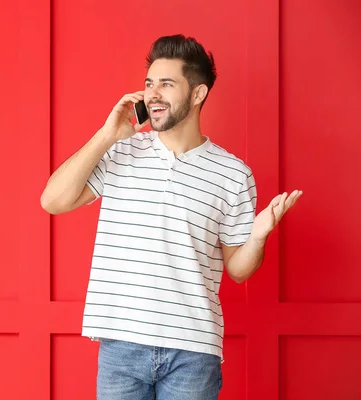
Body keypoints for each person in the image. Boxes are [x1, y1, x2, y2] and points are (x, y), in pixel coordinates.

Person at [40, 34, 302, 400]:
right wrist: (106, 135)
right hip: (121, 345)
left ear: (198, 94)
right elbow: (53, 200)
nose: (153, 94)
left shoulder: (233, 174)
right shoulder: (121, 152)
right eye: (149, 84)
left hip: (193, 350)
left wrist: (257, 236)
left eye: (166, 83)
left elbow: (239, 269)